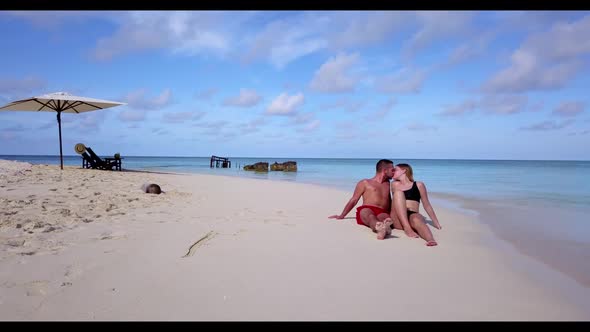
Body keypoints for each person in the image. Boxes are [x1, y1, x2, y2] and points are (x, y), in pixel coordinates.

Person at [329, 159, 395, 240]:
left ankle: (384, 226)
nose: (394, 172)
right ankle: (379, 227)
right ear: (385, 171)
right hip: (367, 209)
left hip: (382, 211)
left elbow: (390, 202)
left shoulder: (389, 185)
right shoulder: (365, 182)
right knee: (370, 215)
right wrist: (342, 215)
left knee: (385, 218)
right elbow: (354, 199)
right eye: (392, 170)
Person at [390, 163, 441, 246]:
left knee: (417, 219)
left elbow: (426, 204)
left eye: (395, 170)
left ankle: (430, 239)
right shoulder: (394, 184)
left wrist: (436, 222)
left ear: (404, 171)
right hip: (398, 218)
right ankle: (407, 228)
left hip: (412, 216)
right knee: (398, 193)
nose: (392, 172)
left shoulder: (419, 185)